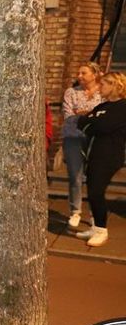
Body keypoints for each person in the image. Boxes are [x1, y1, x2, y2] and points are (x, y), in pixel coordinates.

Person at [75, 71, 126, 247]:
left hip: (109, 156)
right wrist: (90, 122)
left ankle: (102, 230)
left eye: (103, 84)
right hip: (94, 154)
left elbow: (102, 126)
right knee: (92, 191)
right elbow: (82, 123)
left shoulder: (122, 106)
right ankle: (96, 226)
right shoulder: (101, 107)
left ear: (114, 86)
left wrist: (91, 122)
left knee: (97, 192)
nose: (100, 87)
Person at [61, 62, 103, 228]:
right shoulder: (71, 92)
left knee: (95, 177)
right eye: (78, 73)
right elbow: (69, 115)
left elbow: (105, 116)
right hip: (73, 138)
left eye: (83, 73)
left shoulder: (104, 93)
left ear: (94, 74)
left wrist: (84, 114)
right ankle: (75, 211)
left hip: (96, 139)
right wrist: (91, 114)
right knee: (75, 175)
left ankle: (95, 213)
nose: (79, 76)